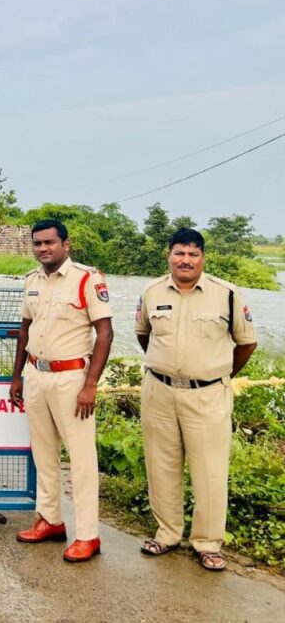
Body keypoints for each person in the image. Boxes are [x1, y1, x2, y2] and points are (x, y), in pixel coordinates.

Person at [135, 228, 257, 571]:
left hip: (208, 396)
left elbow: (246, 343)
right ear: (168, 255)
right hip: (159, 392)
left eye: (193, 254)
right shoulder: (151, 291)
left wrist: (216, 374)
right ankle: (167, 533)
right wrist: (168, 370)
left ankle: (207, 543)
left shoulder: (227, 294)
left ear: (203, 258)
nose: (185, 260)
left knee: (210, 471)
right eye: (179, 253)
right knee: (161, 466)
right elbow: (144, 335)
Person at [9, 219, 113, 562]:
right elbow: (25, 330)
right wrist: (17, 377)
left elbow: (105, 333)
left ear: (66, 245)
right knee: (44, 453)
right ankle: (50, 519)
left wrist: (90, 385)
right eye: (38, 243)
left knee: (81, 460)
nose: (43, 249)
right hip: (36, 375)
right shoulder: (31, 280)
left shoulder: (86, 279)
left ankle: (88, 535)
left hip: (72, 379)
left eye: (50, 243)